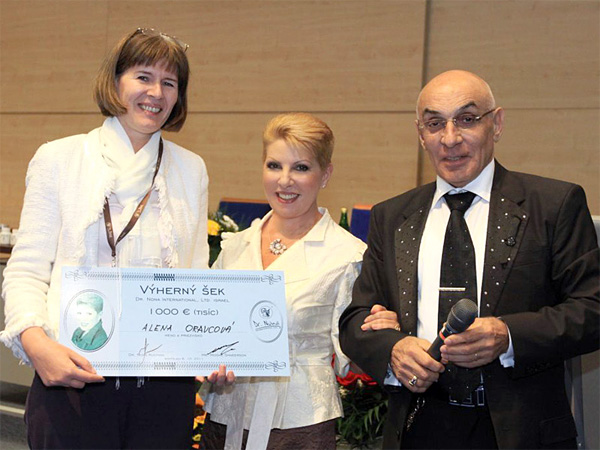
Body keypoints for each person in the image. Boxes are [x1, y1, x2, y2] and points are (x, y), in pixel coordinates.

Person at [339, 70, 600, 449]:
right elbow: (354, 320)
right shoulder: (392, 216)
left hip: (521, 432)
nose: (450, 138)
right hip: (418, 426)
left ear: (497, 123)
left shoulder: (553, 205)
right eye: (434, 124)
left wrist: (507, 336)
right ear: (420, 134)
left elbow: (592, 310)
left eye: (466, 119)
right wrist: (393, 349)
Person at [0, 28, 216, 449]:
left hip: (162, 387)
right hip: (72, 374)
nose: (156, 93)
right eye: (143, 77)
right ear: (115, 82)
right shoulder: (59, 158)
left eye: (169, 83)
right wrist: (36, 343)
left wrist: (212, 347)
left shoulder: (191, 169)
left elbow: (195, 277)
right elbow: (26, 270)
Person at [200, 113, 397, 450]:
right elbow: (207, 326)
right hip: (225, 416)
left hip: (299, 424)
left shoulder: (347, 255)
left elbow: (355, 356)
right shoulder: (235, 247)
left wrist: (383, 331)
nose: (285, 180)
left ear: (326, 174)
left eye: (301, 168)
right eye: (274, 165)